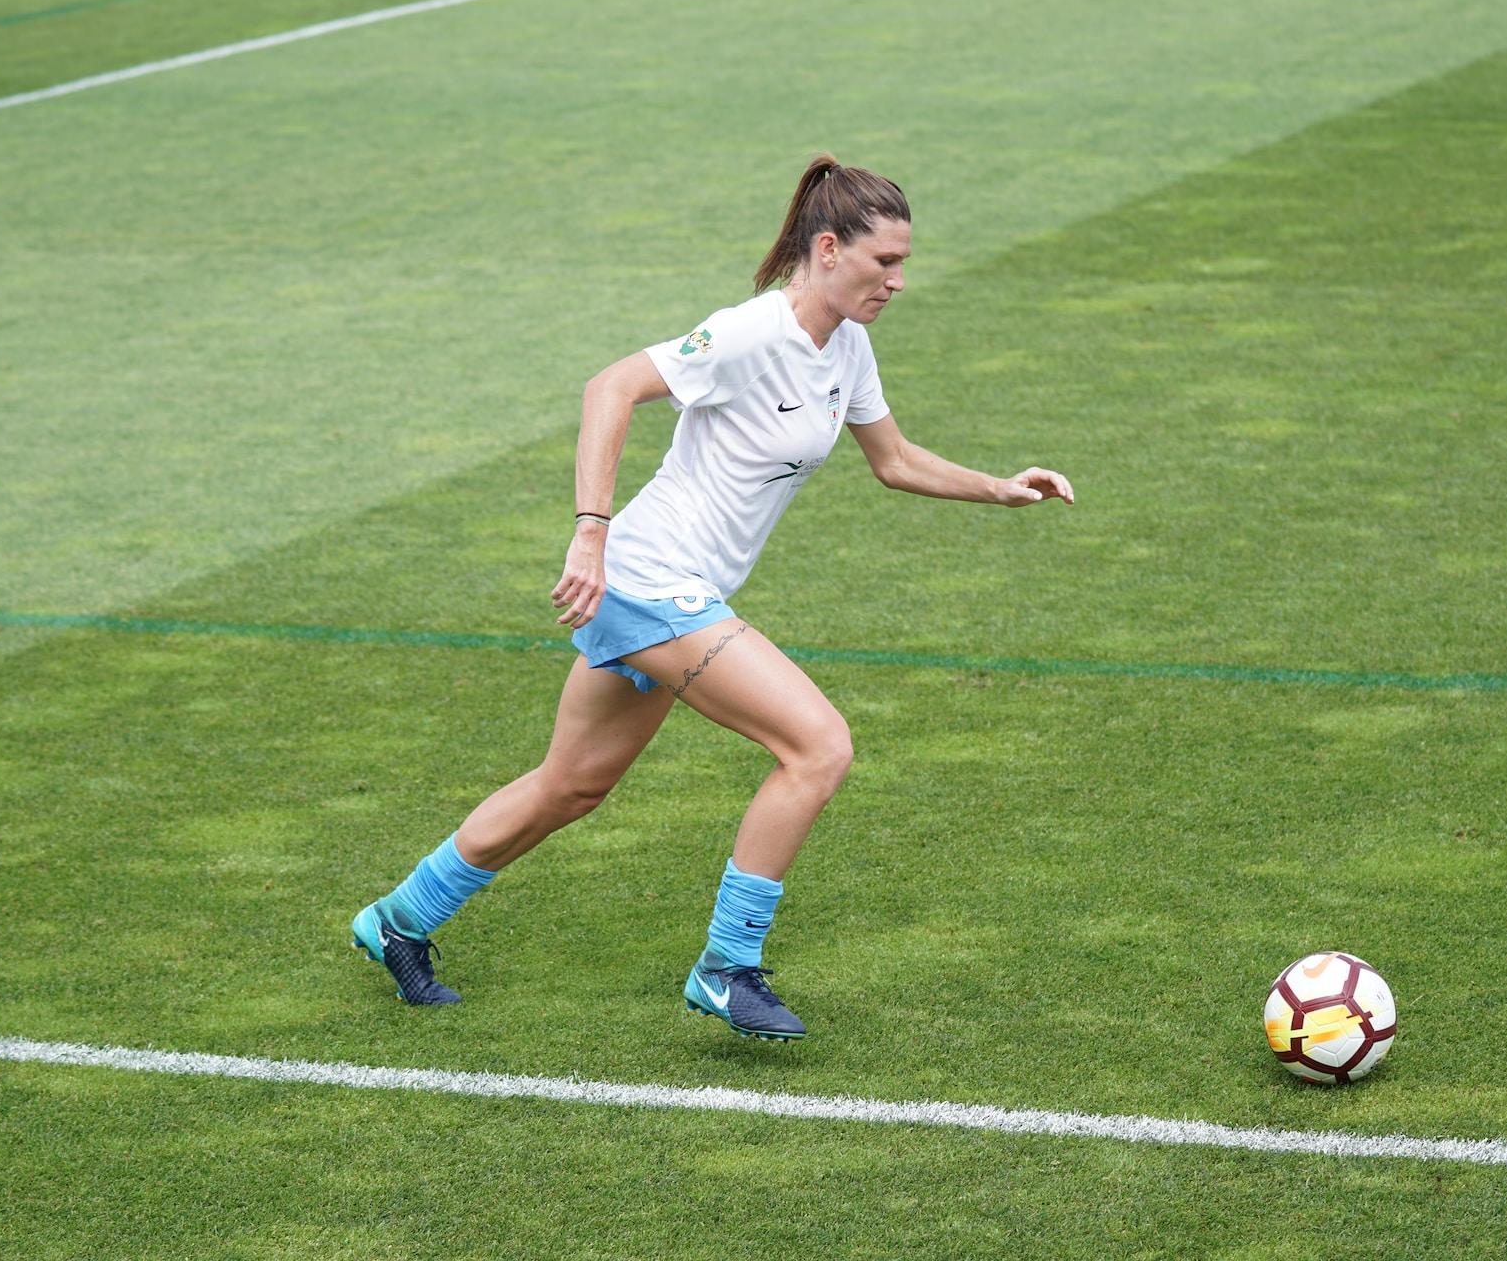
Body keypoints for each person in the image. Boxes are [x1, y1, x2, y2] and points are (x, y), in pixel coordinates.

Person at [351, 153, 1073, 1041]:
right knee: (818, 747)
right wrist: (590, 526)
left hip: (669, 592)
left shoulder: (846, 346)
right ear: (829, 247)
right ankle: (728, 967)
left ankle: (397, 920)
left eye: (903, 263)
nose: (899, 280)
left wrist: (1000, 488)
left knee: (572, 786)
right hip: (653, 581)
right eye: (886, 262)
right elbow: (610, 386)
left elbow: (894, 461)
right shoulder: (748, 333)